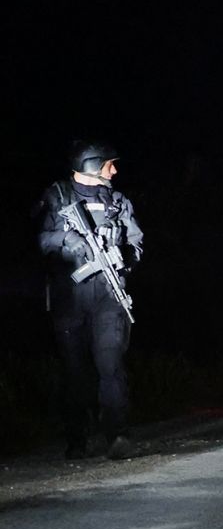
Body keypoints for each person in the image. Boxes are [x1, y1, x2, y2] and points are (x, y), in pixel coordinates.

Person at [36, 141, 144, 459]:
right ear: (92, 166)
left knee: (111, 365)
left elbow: (135, 241)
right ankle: (77, 439)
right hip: (70, 297)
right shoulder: (57, 197)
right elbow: (40, 239)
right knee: (74, 370)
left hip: (109, 295)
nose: (114, 170)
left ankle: (117, 436)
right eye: (109, 164)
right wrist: (67, 240)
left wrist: (123, 255)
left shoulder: (118, 201)